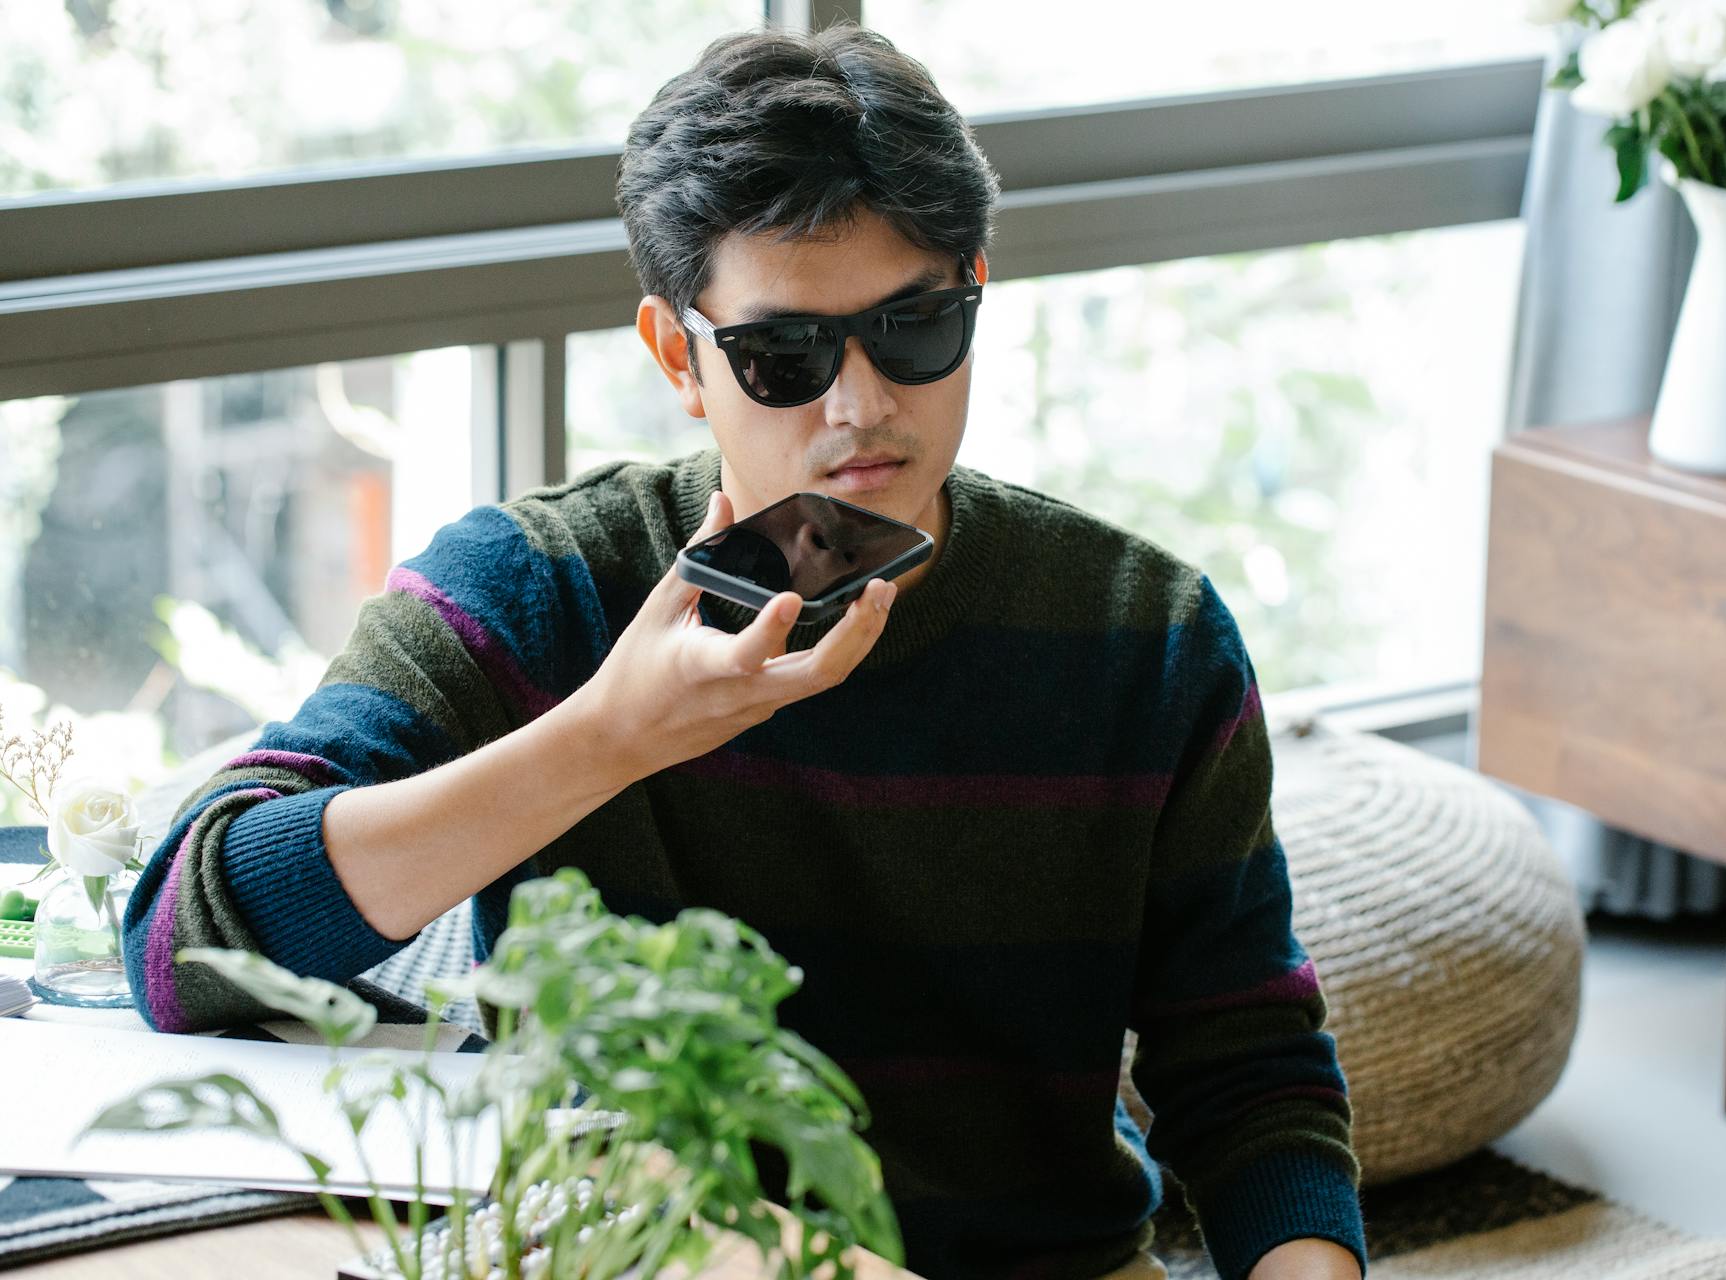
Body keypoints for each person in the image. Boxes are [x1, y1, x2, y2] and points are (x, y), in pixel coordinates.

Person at [121, 23, 1368, 1280]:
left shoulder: (1145, 635)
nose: (863, 403)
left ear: (977, 287)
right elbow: (185, 938)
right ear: (679, 355)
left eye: (918, 326)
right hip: (650, 1254)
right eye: (786, 355)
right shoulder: (538, 586)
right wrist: (607, 736)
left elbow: (1253, 1068)